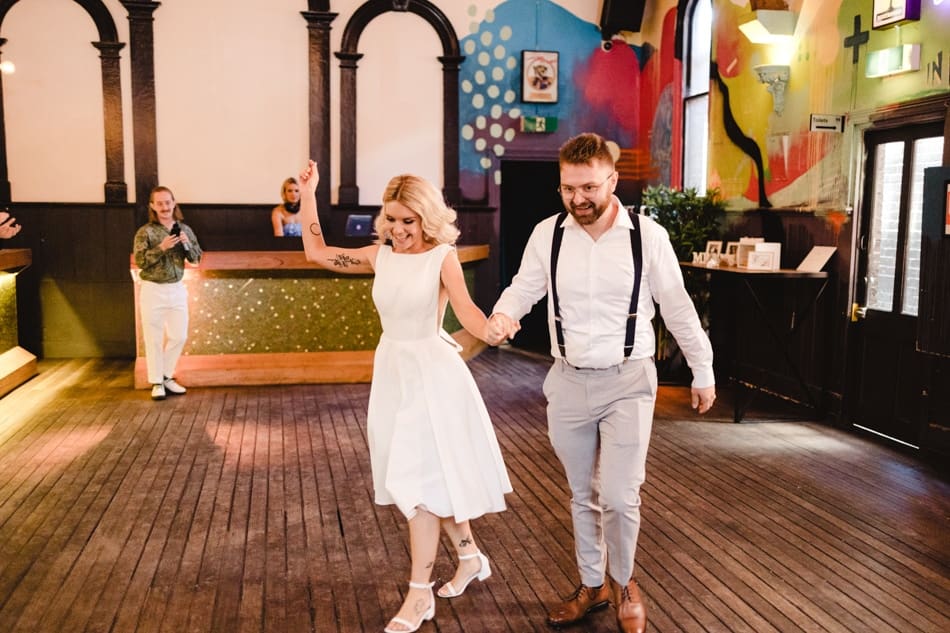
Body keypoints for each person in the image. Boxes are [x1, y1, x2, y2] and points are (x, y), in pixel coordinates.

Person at [489, 133, 716, 633]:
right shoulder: (547, 235)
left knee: (618, 494)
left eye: (589, 187)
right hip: (567, 381)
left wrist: (703, 369)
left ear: (612, 180)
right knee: (580, 493)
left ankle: (626, 582)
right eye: (569, 189)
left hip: (629, 379)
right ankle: (592, 585)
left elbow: (677, 307)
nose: (578, 199)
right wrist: (504, 316)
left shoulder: (646, 236)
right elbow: (524, 287)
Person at [297, 160, 517, 633]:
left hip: (433, 376)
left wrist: (495, 330)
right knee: (424, 479)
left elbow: (470, 316)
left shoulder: (443, 258)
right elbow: (316, 251)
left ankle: (418, 596)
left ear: (427, 218)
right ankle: (470, 556)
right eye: (391, 219)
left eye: (408, 221)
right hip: (393, 373)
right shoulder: (380, 256)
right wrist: (310, 192)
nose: (398, 230)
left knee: (417, 485)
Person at [132, 186, 202, 401]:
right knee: (153, 338)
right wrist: (161, 247)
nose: (164, 207)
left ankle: (166, 375)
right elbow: (140, 261)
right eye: (159, 203)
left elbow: (196, 259)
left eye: (167, 202)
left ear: (174, 203)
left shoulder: (184, 229)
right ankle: (156, 382)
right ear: (152, 206)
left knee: (179, 335)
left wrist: (187, 244)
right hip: (153, 289)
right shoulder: (145, 232)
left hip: (177, 289)